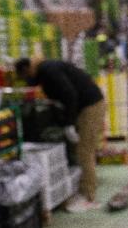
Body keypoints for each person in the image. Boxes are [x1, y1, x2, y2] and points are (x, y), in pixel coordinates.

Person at [15, 58, 106, 212]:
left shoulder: (48, 71)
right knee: (83, 150)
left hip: (90, 107)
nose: (27, 80)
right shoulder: (45, 72)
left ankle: (89, 197)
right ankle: (85, 190)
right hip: (86, 105)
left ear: (27, 69)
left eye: (24, 76)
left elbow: (70, 94)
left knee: (85, 151)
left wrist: (69, 123)